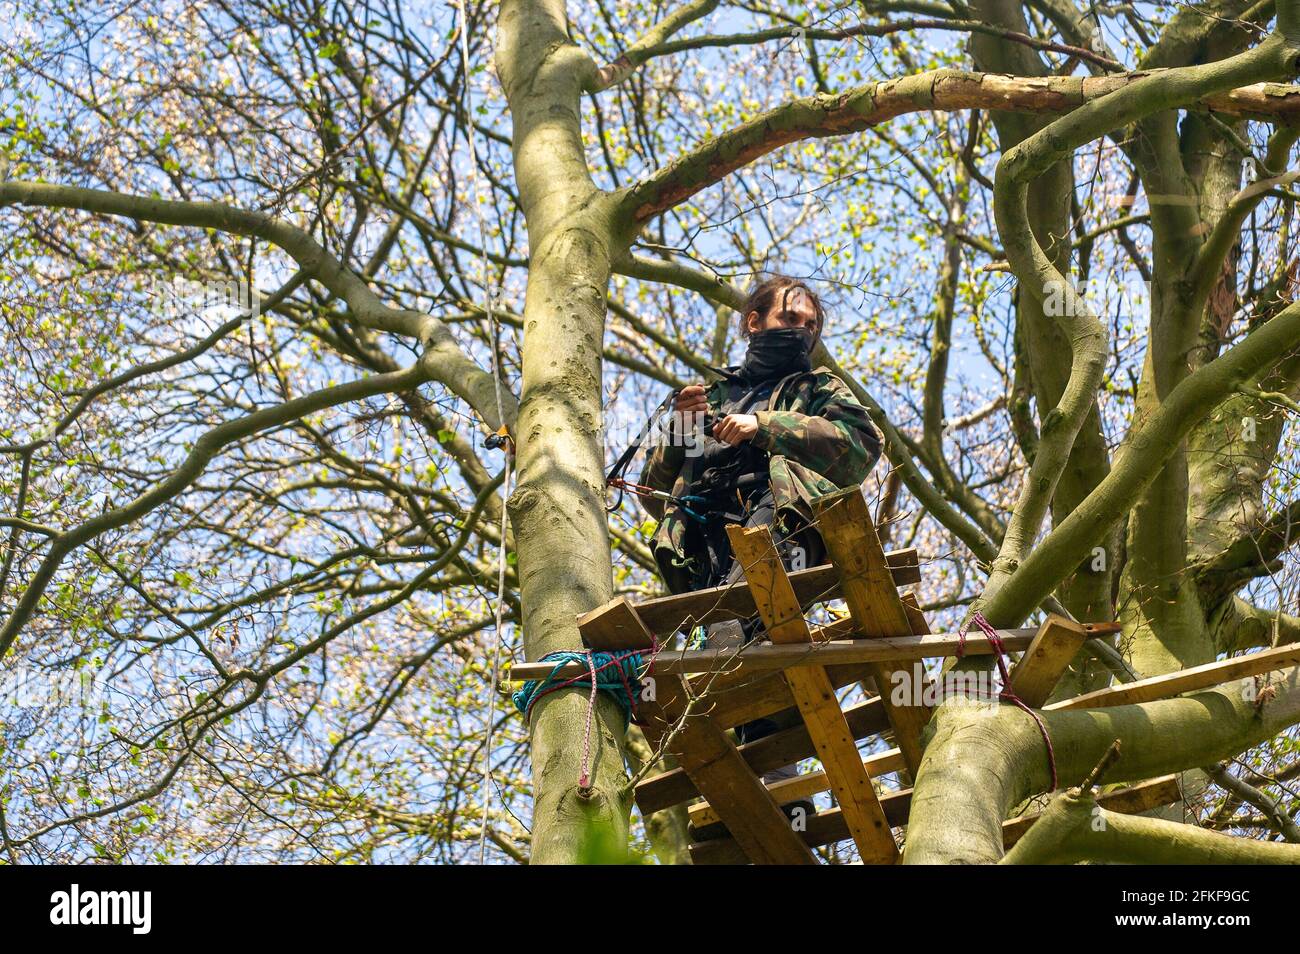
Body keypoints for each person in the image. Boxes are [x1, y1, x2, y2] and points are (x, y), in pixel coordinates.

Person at [636, 275, 883, 813]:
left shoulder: (818, 388)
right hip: (708, 548)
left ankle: (777, 785)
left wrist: (762, 425)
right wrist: (680, 431)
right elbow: (652, 492)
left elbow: (860, 449)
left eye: (810, 326)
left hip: (784, 527)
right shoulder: (709, 395)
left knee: (741, 630)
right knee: (752, 661)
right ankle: (767, 802)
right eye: (790, 320)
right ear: (754, 322)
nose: (801, 332)